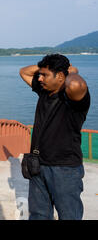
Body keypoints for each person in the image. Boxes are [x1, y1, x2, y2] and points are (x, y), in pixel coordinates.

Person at [19, 53, 90, 220]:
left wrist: (71, 71)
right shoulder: (44, 92)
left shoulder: (73, 99)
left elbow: (75, 83)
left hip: (64, 169)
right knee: (38, 215)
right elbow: (24, 72)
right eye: (40, 74)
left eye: (45, 75)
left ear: (60, 77)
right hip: (38, 166)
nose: (40, 78)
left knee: (69, 216)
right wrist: (45, 67)